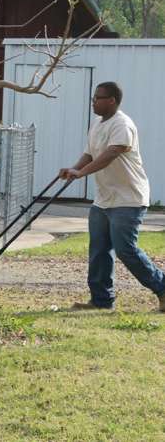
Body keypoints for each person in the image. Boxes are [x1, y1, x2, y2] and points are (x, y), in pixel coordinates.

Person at [59, 81, 165, 312]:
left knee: (125, 249)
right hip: (104, 198)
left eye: (98, 98)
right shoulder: (97, 124)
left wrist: (82, 173)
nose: (93, 102)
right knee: (98, 249)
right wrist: (73, 169)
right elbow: (90, 153)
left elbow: (110, 154)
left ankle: (163, 288)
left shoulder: (123, 125)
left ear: (112, 101)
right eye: (93, 98)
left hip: (129, 198)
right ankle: (101, 301)